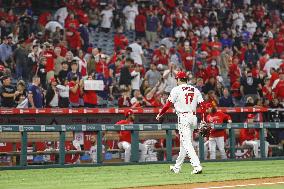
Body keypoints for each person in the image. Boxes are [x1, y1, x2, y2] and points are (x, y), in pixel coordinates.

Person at [156, 71, 206, 174]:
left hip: (183, 117)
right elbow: (203, 106)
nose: (176, 81)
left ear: (179, 79)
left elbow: (167, 105)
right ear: (186, 80)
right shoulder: (195, 89)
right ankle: (177, 167)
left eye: (177, 79)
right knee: (184, 143)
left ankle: (197, 166)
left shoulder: (176, 89)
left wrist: (160, 114)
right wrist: (204, 119)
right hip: (193, 117)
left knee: (187, 143)